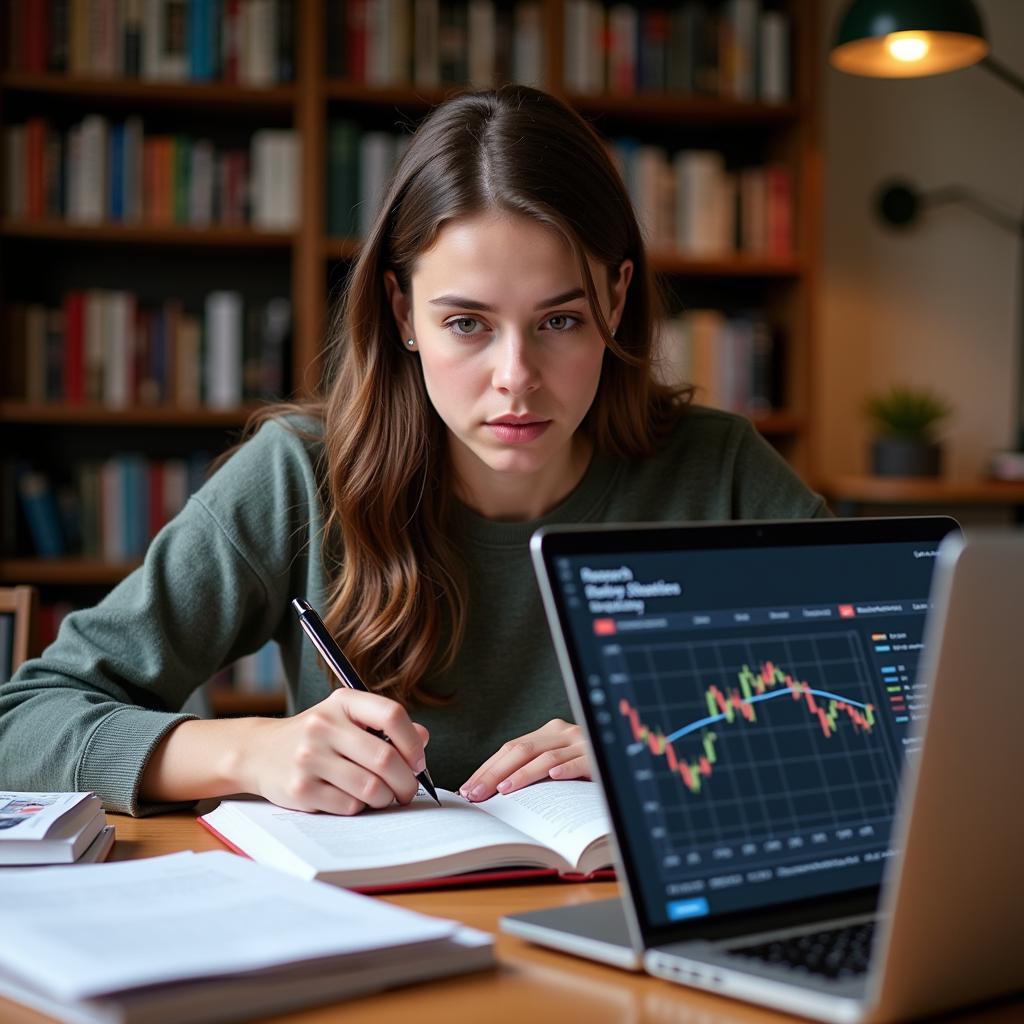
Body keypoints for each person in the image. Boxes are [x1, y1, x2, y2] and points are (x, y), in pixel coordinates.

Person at [0, 85, 827, 818]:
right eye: (466, 323)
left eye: (561, 321)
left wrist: (661, 748)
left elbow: (898, 702)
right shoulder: (301, 476)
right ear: (402, 313)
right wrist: (248, 752)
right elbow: (23, 719)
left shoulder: (719, 471)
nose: (516, 379)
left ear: (616, 298)